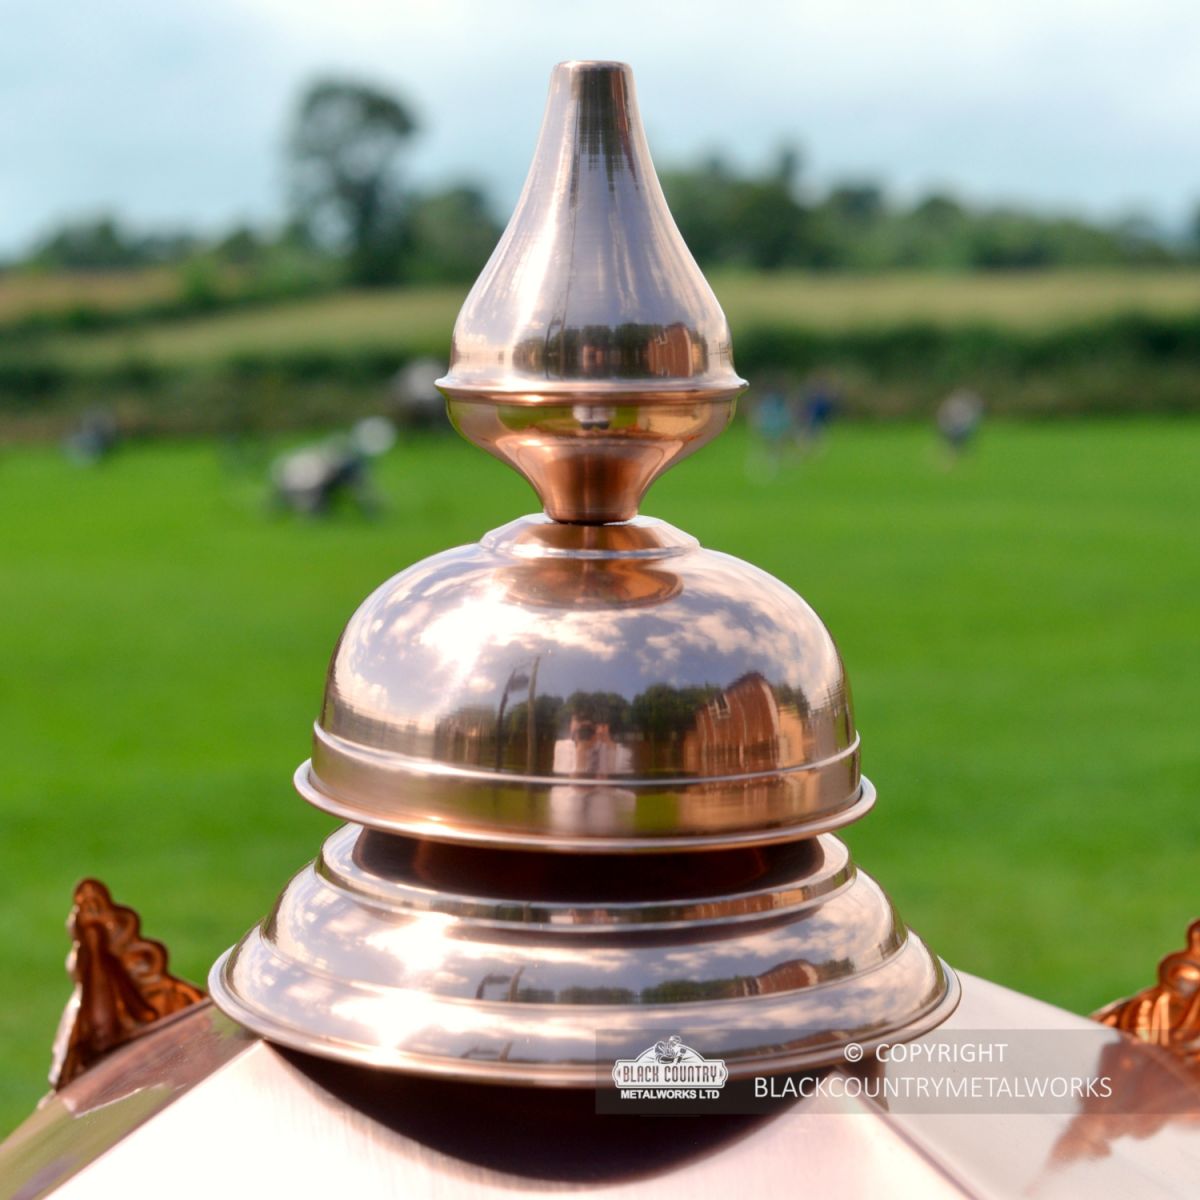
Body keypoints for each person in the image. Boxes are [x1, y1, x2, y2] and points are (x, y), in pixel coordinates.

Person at [936, 388, 984, 461]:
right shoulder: (952, 405)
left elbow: (968, 419)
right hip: (954, 429)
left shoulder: (960, 405)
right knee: (953, 439)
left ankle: (958, 451)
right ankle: (955, 451)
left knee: (958, 439)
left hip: (961, 429)